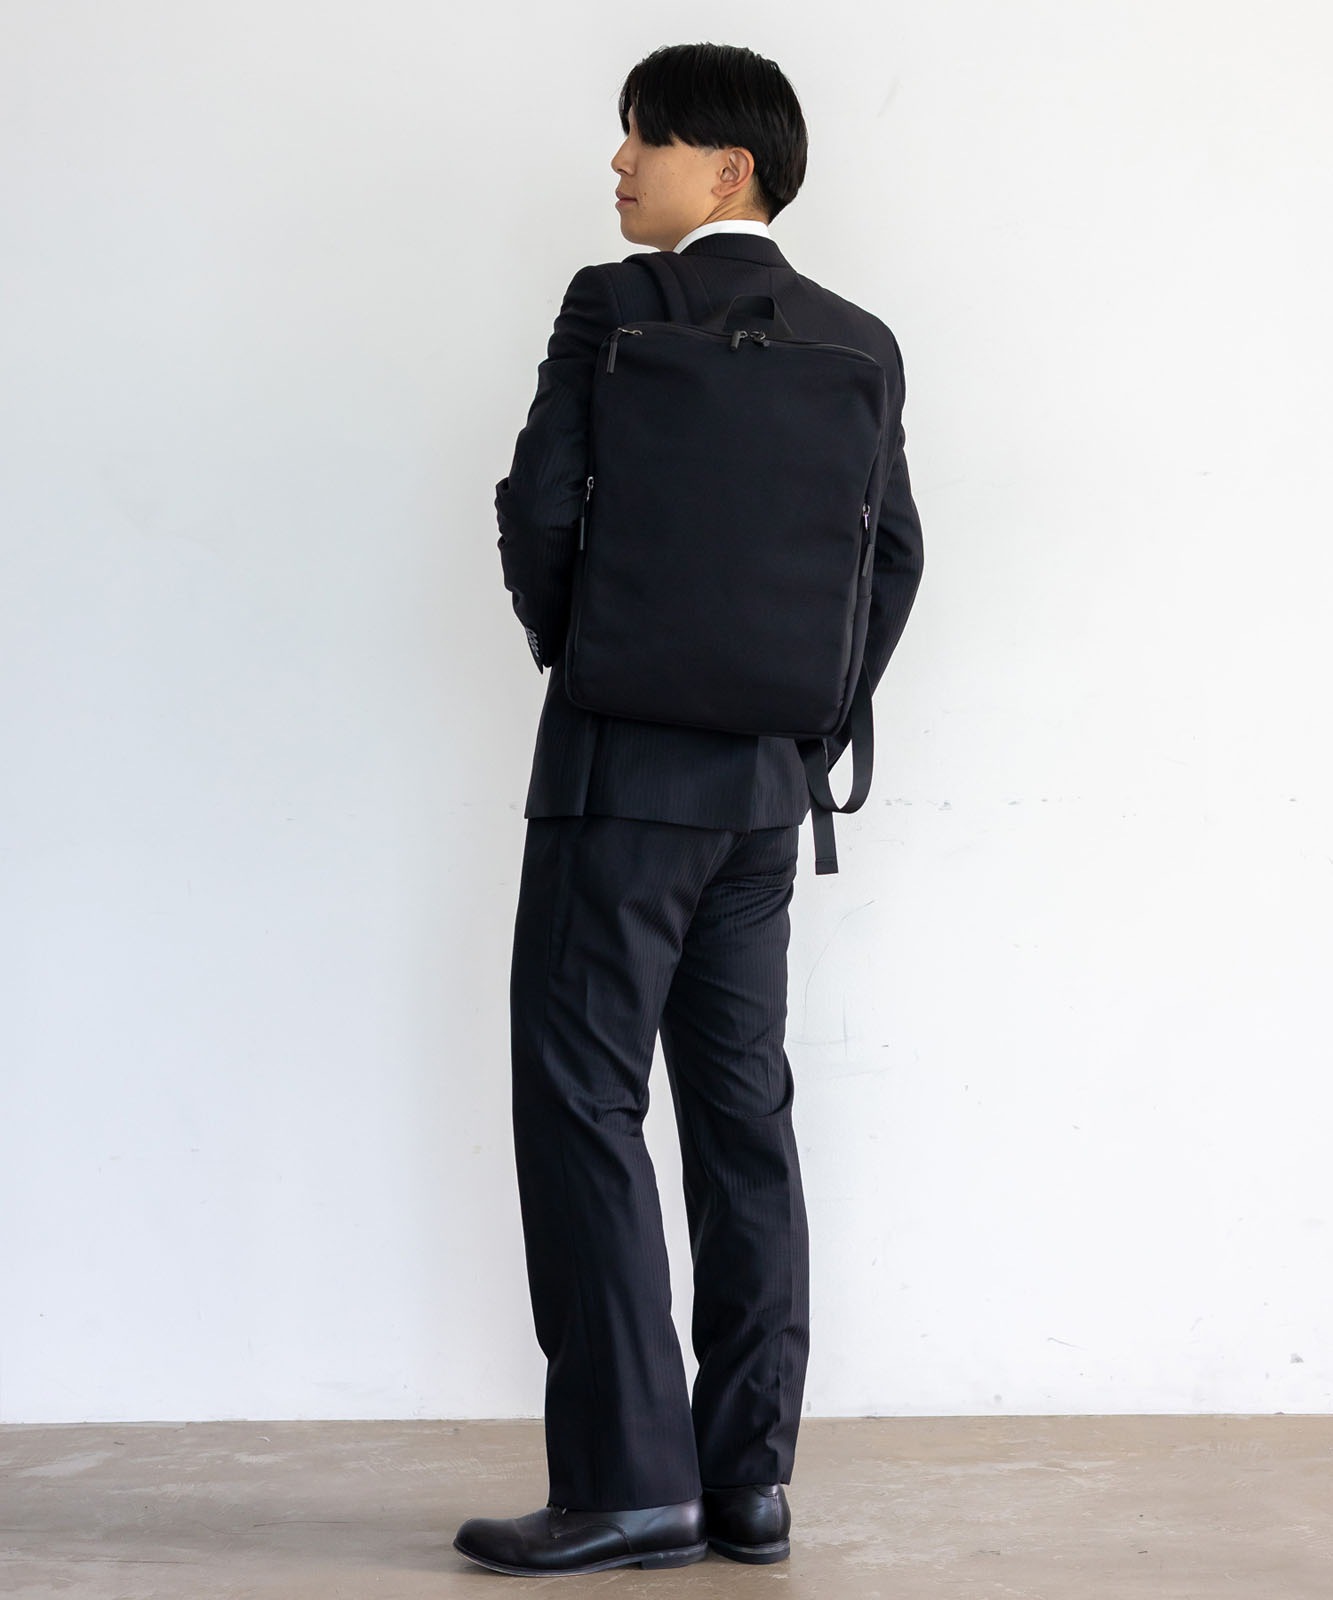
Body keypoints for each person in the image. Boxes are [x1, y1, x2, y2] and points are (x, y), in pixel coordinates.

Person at [454, 41, 924, 1578]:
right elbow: (893, 558)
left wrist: (585, 655)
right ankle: (748, 1483)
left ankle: (625, 1484)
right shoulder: (857, 339)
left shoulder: (616, 305)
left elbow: (537, 505)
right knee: (741, 1117)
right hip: (764, 796)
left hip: (620, 779)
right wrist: (801, 716)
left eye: (638, 140)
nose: (617, 166)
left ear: (725, 167)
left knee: (583, 1101)